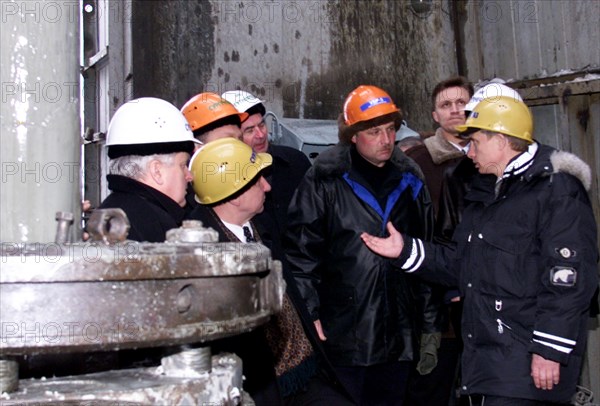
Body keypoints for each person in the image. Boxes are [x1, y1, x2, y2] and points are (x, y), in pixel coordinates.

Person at [361, 95, 599, 405]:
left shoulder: (556, 189)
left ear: (500, 141)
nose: (469, 152)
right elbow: (462, 264)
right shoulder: (487, 192)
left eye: (475, 142)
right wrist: (405, 250)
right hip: (489, 362)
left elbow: (568, 279)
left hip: (527, 365)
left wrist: (549, 350)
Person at [284, 85, 442, 405]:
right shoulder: (324, 180)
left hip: (400, 334)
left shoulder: (410, 179)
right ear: (352, 135)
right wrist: (309, 313)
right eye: (373, 131)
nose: (385, 140)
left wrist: (430, 325)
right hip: (344, 333)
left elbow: (427, 254)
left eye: (389, 130)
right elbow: (301, 253)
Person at [187, 138, 355, 405]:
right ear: (236, 192)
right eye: (257, 181)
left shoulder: (260, 225)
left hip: (304, 374)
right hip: (261, 389)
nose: (267, 186)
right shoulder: (202, 253)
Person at [402, 76, 475, 406]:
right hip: (434, 298)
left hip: (485, 294)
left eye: (462, 102)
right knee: (433, 384)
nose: (455, 110)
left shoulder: (492, 153)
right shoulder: (416, 161)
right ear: (434, 115)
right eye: (446, 105)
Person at [221, 90, 311, 256]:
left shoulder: (296, 163)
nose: (261, 135)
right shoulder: (223, 179)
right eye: (249, 130)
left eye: (261, 125)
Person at [99, 97, 200, 242]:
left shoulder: (114, 215)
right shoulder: (155, 226)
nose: (189, 176)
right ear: (156, 170)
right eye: (183, 165)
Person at [179, 92, 248, 214]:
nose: (239, 148)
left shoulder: (249, 188)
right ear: (196, 147)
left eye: (240, 139)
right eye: (228, 141)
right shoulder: (181, 203)